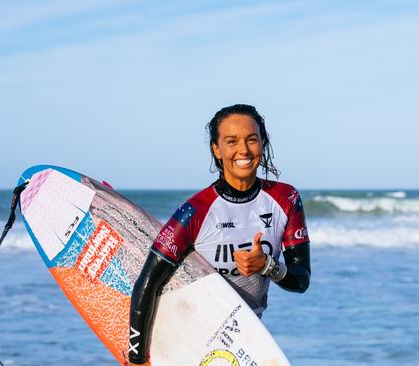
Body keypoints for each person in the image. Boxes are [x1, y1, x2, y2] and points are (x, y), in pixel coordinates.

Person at [128, 104, 311, 366]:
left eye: (252, 139)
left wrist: (268, 266)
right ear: (216, 149)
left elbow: (301, 280)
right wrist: (137, 359)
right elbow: (148, 283)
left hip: (242, 340)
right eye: (231, 141)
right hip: (190, 334)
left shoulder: (285, 199)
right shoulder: (196, 211)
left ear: (263, 142)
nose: (243, 150)